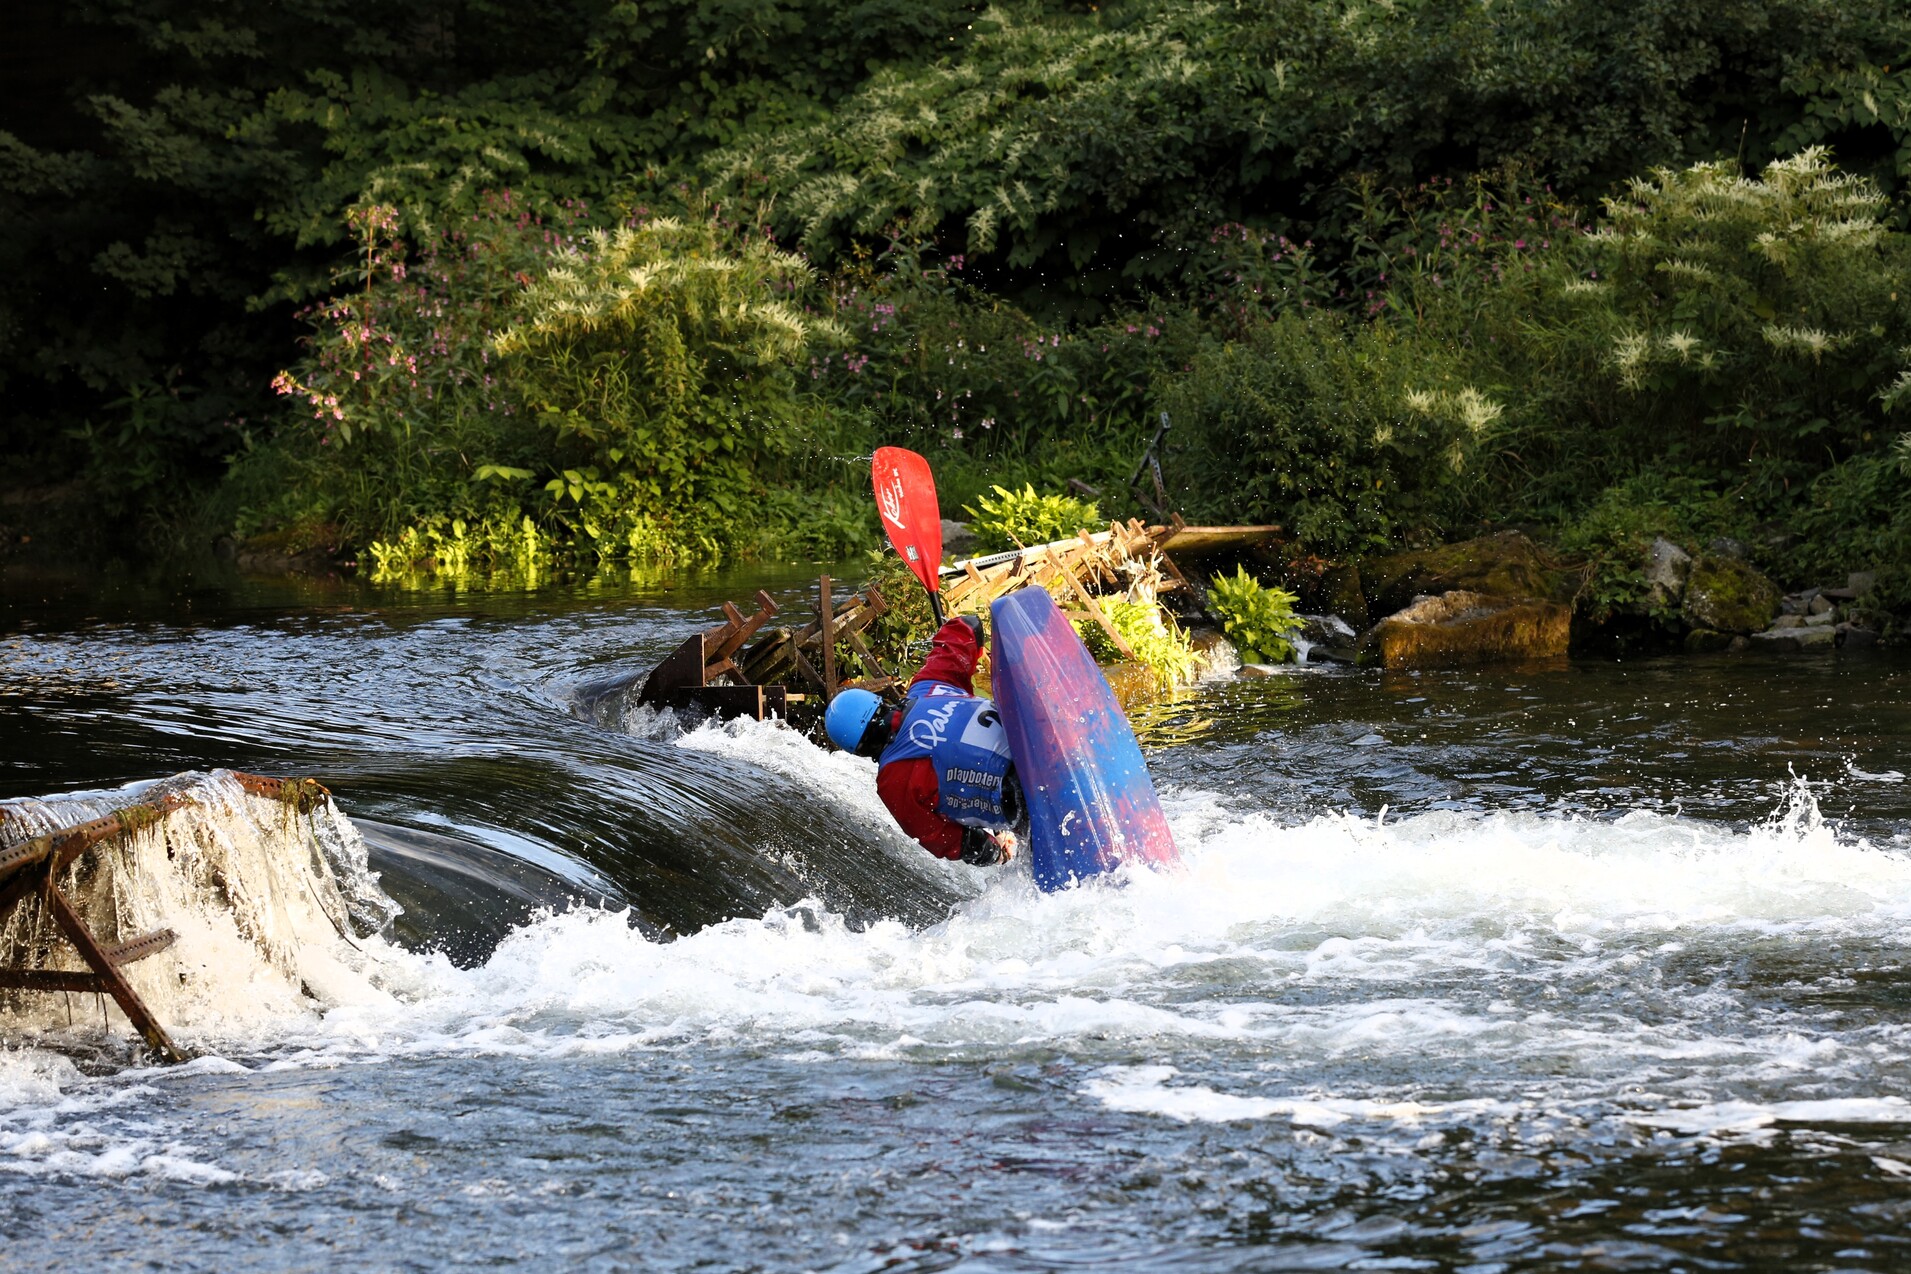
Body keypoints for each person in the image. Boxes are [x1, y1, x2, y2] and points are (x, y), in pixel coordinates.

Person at [824, 613, 1024, 867]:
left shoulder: (893, 784)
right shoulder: (929, 684)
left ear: (858, 751)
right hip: (1032, 744)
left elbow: (952, 841)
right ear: (880, 703)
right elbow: (969, 626)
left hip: (1026, 807)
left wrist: (997, 852)